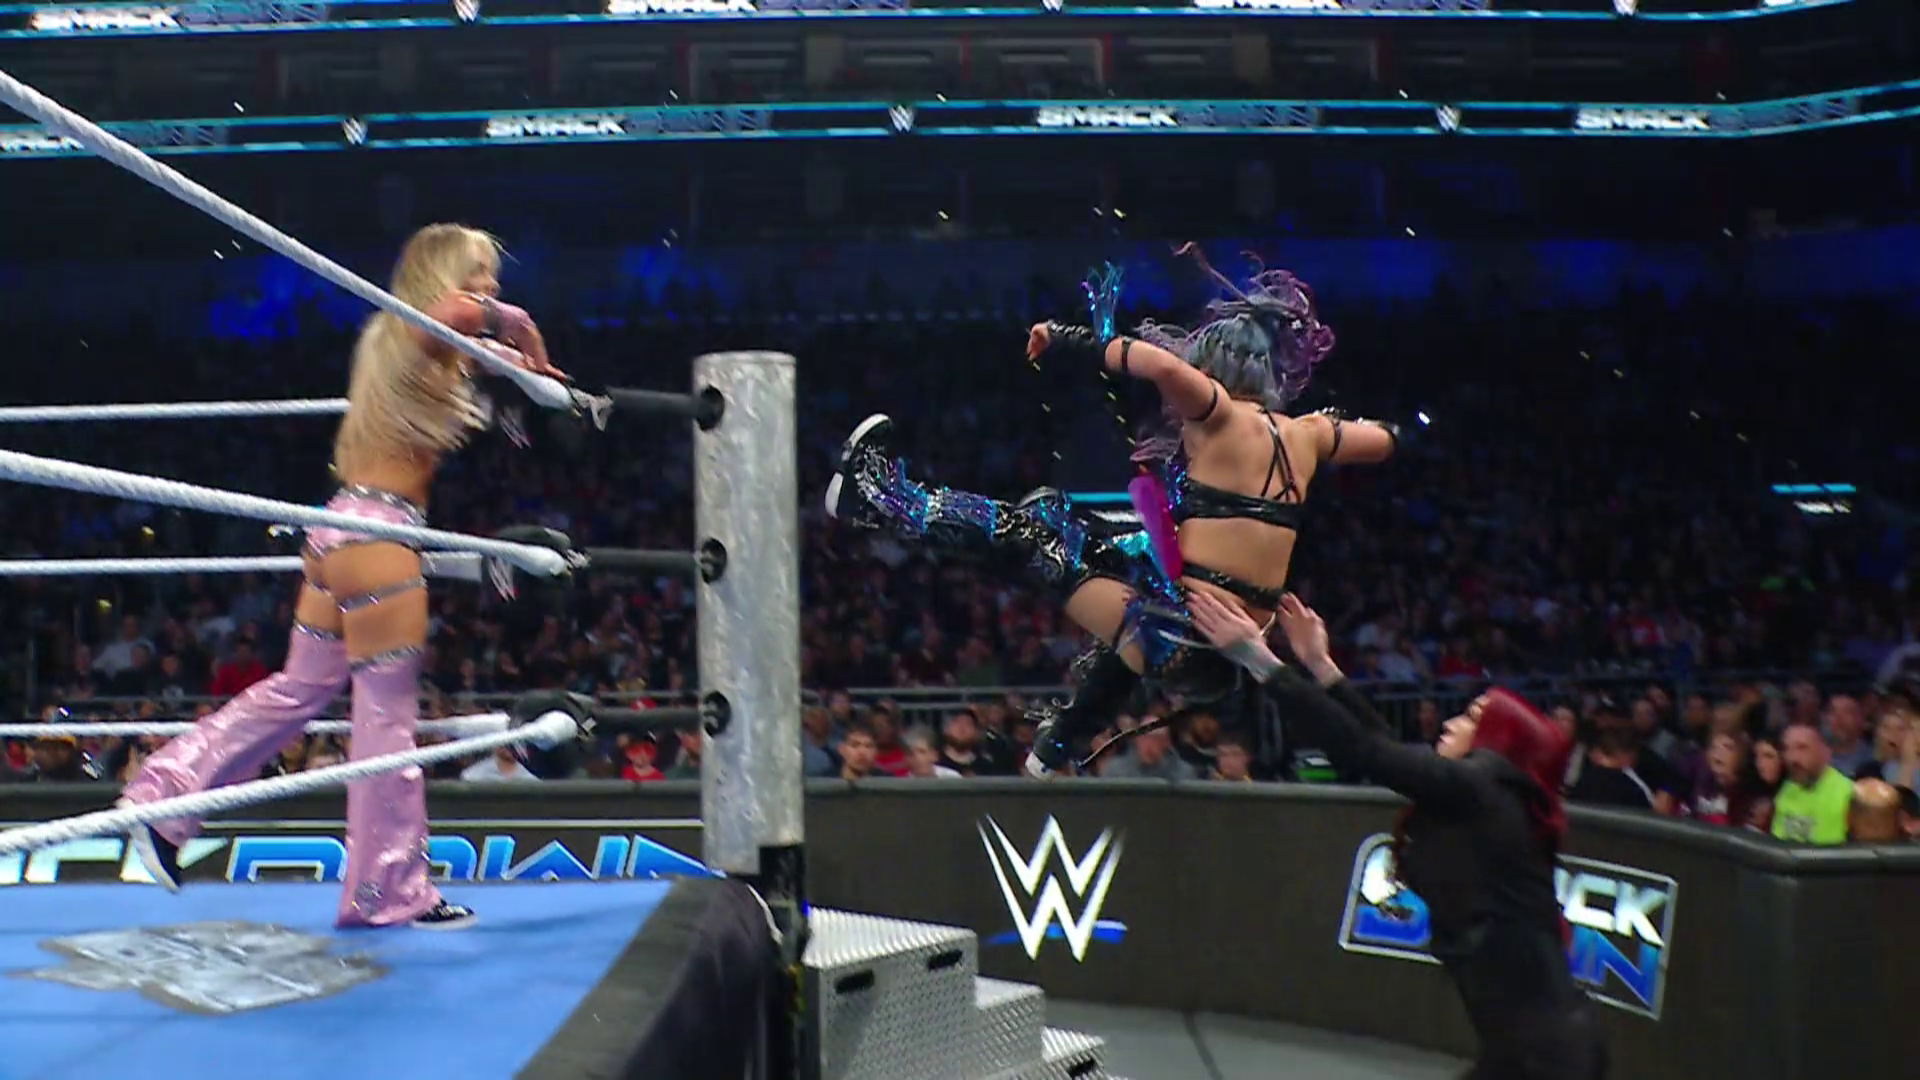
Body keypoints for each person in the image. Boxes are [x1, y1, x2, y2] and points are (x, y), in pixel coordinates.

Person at [118, 223, 564, 929]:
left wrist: (531, 369)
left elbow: (502, 363)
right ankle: (387, 891)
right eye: (478, 274)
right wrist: (517, 324)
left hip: (341, 529)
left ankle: (162, 798)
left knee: (299, 688)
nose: (490, 288)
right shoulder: (415, 328)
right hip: (380, 535)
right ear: (444, 276)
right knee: (385, 718)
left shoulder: (414, 347)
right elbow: (463, 318)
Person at [825, 250, 1398, 777]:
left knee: (1035, 532)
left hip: (1183, 638)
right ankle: (1057, 745)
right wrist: (1345, 425)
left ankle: (877, 498)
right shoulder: (1309, 435)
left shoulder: (1217, 412)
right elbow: (1386, 440)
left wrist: (1065, 337)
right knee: (1106, 540)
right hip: (1228, 653)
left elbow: (1161, 368)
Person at [1188, 591, 1607, 1080]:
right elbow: (1385, 748)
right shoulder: (1480, 797)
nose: (1450, 723)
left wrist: (1260, 661)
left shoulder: (1483, 791)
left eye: (1471, 718)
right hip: (1525, 1052)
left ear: (1498, 741)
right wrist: (1322, 667)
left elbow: (1365, 750)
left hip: (1550, 1060)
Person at [1771, 720, 1854, 845]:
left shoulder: (1849, 794)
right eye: (1787, 749)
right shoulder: (1787, 789)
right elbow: (1777, 843)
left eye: (1802, 748)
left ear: (1825, 752)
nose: (1792, 758)